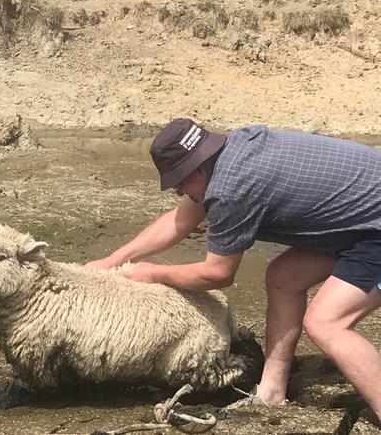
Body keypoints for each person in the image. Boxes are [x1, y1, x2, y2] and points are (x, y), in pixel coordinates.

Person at [85, 118, 381, 417]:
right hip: (360, 221)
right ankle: (272, 390)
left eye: (179, 184)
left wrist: (152, 274)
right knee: (284, 277)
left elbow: (218, 273)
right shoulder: (232, 152)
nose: (178, 193)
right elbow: (180, 221)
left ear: (198, 168)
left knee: (327, 322)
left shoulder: (231, 190)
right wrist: (115, 260)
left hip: (374, 225)